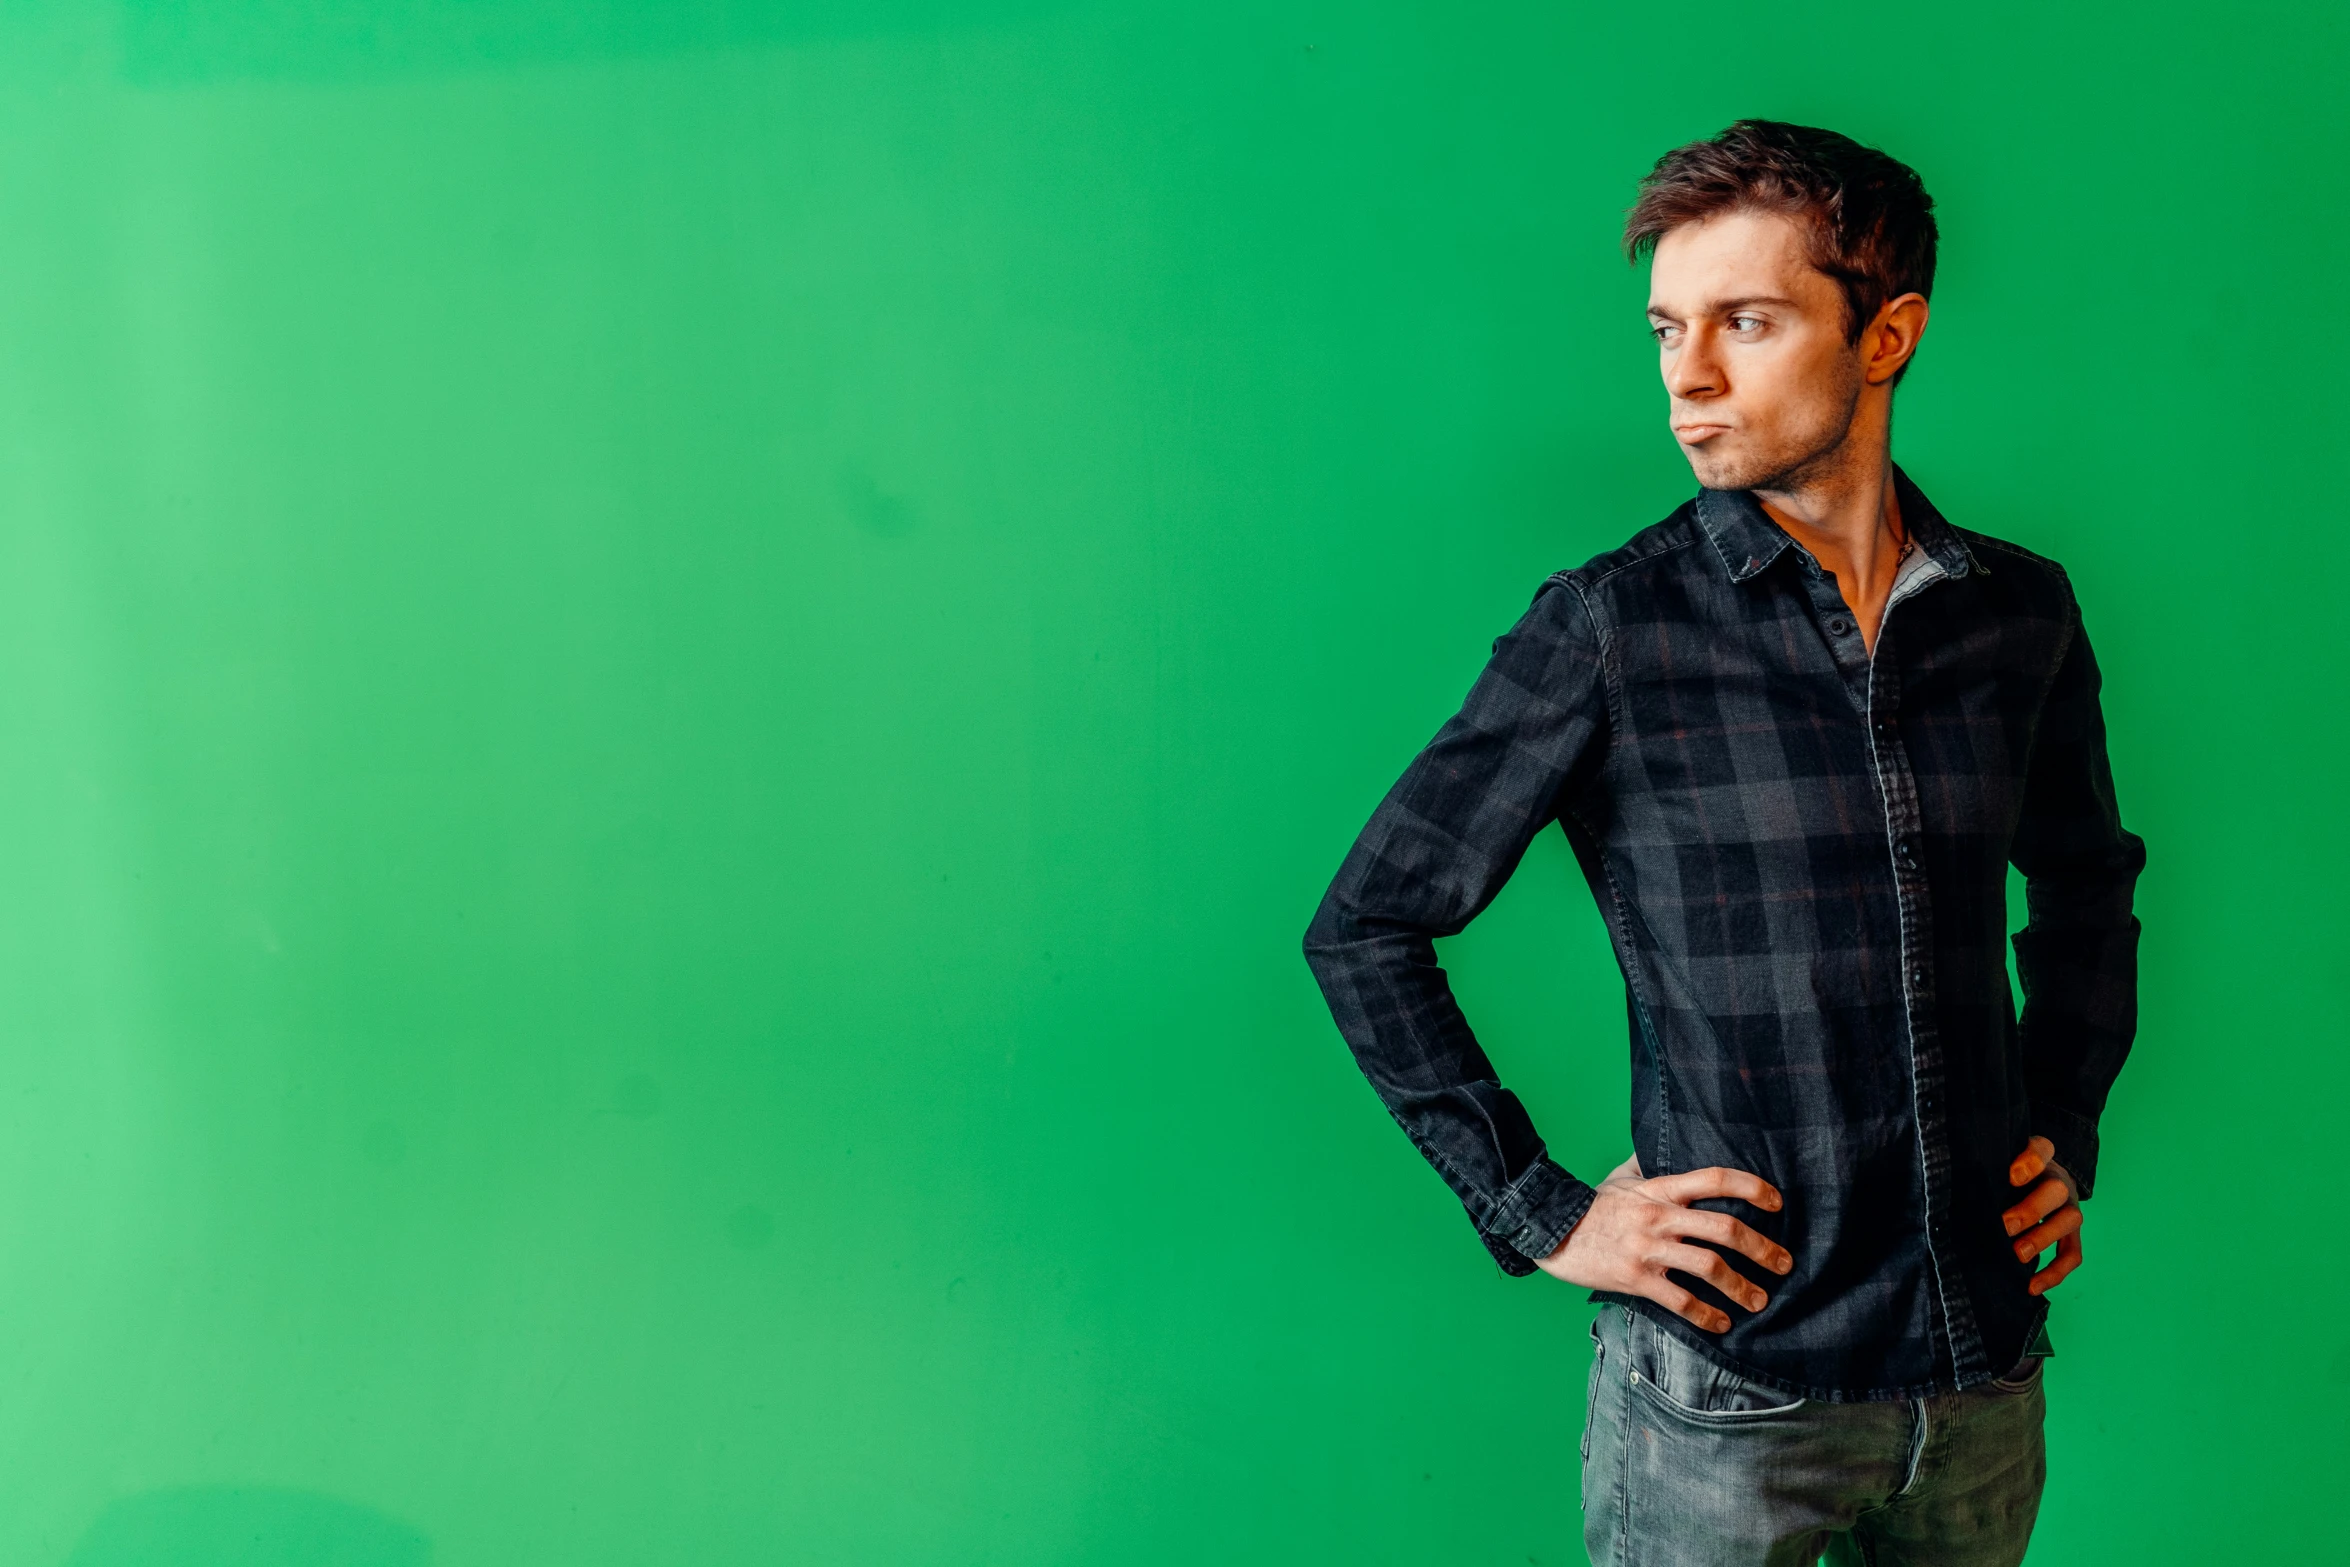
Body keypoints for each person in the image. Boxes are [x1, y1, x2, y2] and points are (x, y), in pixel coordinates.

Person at [1301, 120, 2143, 1567]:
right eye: (1664, 330)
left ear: (1884, 334)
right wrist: (1538, 1207)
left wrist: (2060, 1126)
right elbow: (1366, 923)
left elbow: (2083, 888)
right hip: (1726, 1396)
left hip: (1980, 1374)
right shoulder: (1609, 627)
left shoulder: (2019, 614)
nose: (1685, 377)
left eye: (1743, 323)